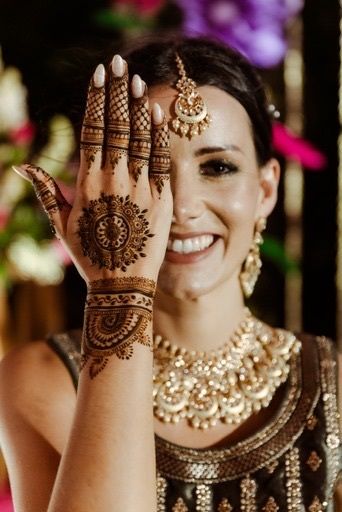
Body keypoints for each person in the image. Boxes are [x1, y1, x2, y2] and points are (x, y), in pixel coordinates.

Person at [0, 34, 341, 512]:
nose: (181, 208)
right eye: (148, 171)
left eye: (218, 166)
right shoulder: (45, 381)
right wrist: (118, 287)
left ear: (266, 189)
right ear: (97, 187)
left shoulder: (334, 389)